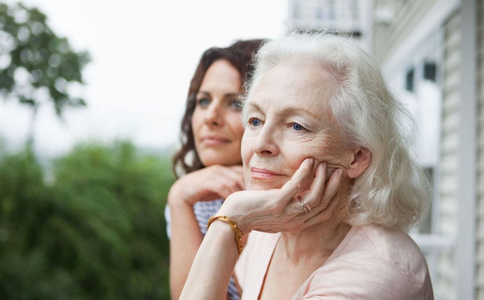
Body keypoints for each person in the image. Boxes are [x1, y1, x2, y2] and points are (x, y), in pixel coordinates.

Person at [180, 33, 434, 300]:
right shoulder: (264, 231)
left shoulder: (377, 274)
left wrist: (227, 222)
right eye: (255, 121)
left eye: (296, 126)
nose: (261, 144)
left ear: (357, 157)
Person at [165, 39, 265, 300]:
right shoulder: (196, 202)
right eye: (203, 100)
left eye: (235, 103)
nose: (211, 116)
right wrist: (179, 200)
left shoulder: (293, 200)